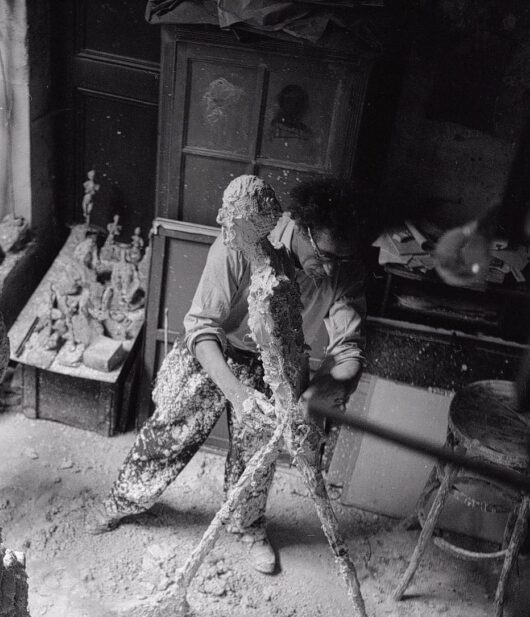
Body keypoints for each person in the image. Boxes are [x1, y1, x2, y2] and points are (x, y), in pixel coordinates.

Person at [86, 175, 369, 575]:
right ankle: (123, 499)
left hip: (277, 361)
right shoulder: (246, 241)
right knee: (171, 431)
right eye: (323, 254)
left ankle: (248, 526)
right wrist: (238, 395)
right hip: (217, 350)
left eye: (342, 260)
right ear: (300, 226)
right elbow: (202, 329)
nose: (328, 268)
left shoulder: (343, 270)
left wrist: (317, 397)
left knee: (257, 458)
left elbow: (348, 353)